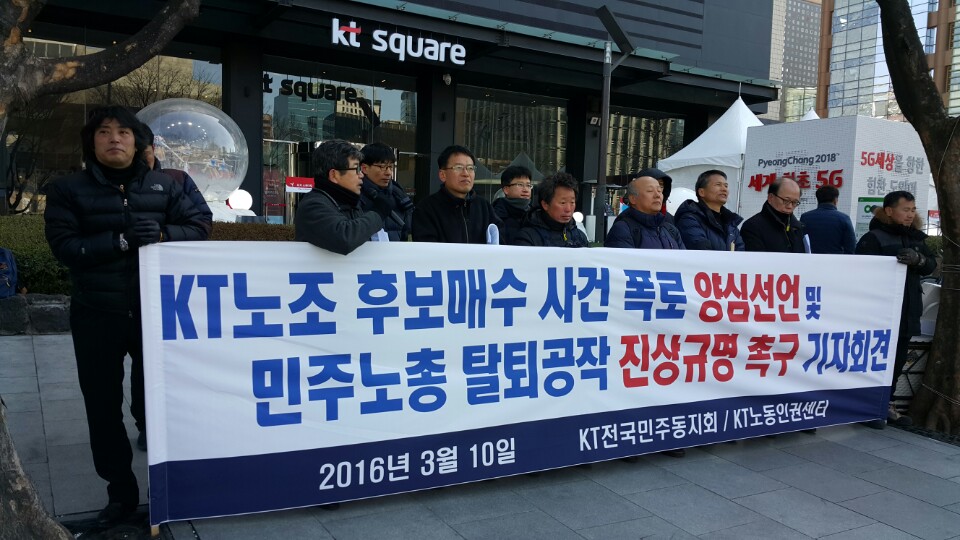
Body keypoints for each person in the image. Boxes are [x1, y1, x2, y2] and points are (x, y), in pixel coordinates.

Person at [43, 105, 208, 525]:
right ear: (91, 142)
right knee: (102, 409)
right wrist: (120, 240)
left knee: (161, 405)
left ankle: (168, 491)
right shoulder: (66, 189)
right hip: (96, 314)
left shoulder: (165, 185)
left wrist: (166, 234)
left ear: (138, 142)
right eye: (103, 132)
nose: (114, 138)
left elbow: (200, 226)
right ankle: (120, 495)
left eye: (123, 132)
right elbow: (65, 247)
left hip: (156, 314)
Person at [856, 191, 936, 428]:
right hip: (879, 312)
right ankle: (868, 407)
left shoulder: (916, 238)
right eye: (905, 210)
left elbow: (931, 265)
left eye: (913, 210)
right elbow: (859, 273)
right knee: (876, 358)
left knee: (898, 359)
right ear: (889, 211)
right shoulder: (873, 238)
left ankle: (886, 405)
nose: (910, 215)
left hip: (908, 310)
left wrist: (919, 259)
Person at [295, 139, 393, 255]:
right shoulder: (313, 205)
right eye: (356, 169)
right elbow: (344, 238)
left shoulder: (350, 203)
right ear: (334, 175)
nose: (361, 175)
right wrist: (377, 214)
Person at [412, 145, 501, 243]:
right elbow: (426, 249)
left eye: (470, 168)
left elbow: (501, 243)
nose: (466, 173)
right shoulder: (426, 209)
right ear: (442, 175)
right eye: (459, 168)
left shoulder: (484, 207)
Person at [141, 123, 213, 236]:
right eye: (134, 156)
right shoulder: (115, 185)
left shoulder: (178, 179)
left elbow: (203, 223)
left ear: (153, 149)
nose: (140, 161)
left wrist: (162, 235)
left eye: (145, 154)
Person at [605, 174, 684, 250]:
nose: (657, 195)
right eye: (650, 191)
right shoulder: (623, 229)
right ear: (633, 198)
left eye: (659, 191)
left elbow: (683, 257)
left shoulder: (671, 230)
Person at [674, 169, 745, 251]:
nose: (724, 189)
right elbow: (701, 251)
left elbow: (740, 252)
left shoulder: (730, 223)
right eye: (718, 185)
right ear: (701, 192)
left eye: (726, 186)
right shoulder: (689, 219)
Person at [513, 172, 588, 247]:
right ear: (545, 204)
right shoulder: (528, 237)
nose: (568, 209)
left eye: (572, 202)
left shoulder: (580, 236)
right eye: (563, 203)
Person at [358, 142, 413, 241]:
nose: (388, 173)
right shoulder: (355, 196)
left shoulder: (400, 196)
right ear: (364, 168)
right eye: (382, 167)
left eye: (390, 167)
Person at [741, 177, 806, 253]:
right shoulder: (752, 227)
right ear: (770, 197)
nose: (790, 206)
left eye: (795, 202)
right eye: (786, 201)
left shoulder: (797, 227)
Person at [800, 185, 856, 254]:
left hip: (811, 259)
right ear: (835, 200)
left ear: (818, 200)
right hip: (836, 259)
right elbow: (851, 247)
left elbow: (800, 243)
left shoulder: (805, 217)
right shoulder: (844, 218)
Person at [493, 165, 533, 245]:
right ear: (506, 190)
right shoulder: (495, 215)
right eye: (520, 185)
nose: (526, 190)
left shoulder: (535, 215)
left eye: (528, 185)